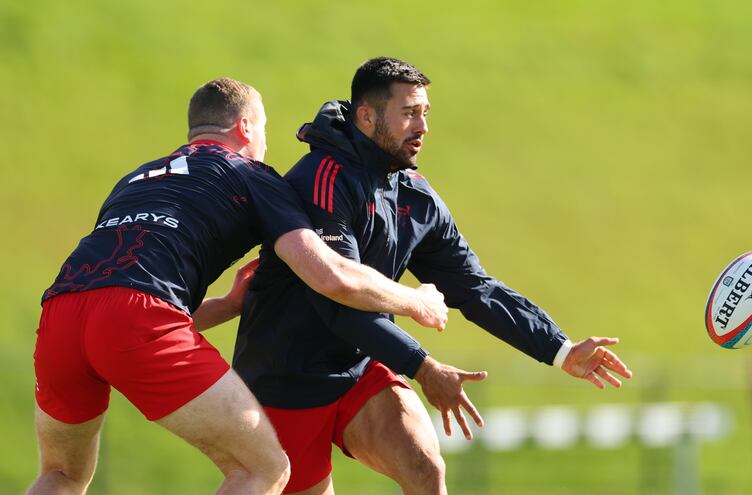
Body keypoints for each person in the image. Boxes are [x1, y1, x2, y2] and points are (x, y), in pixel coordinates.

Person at [28, 77, 449, 495]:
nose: (264, 143)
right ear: (246, 127)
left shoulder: (138, 178)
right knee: (263, 468)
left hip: (61, 314)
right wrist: (415, 300)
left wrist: (230, 304)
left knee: (61, 476)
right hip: (136, 315)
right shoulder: (252, 175)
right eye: (263, 130)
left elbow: (119, 303)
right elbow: (331, 276)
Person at [232, 57, 634, 494]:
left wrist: (560, 349)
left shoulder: (414, 195)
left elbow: (475, 289)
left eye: (425, 113)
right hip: (286, 380)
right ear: (366, 116)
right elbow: (338, 304)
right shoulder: (322, 180)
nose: (421, 126)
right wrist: (423, 367)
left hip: (361, 366)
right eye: (408, 113)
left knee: (425, 468)